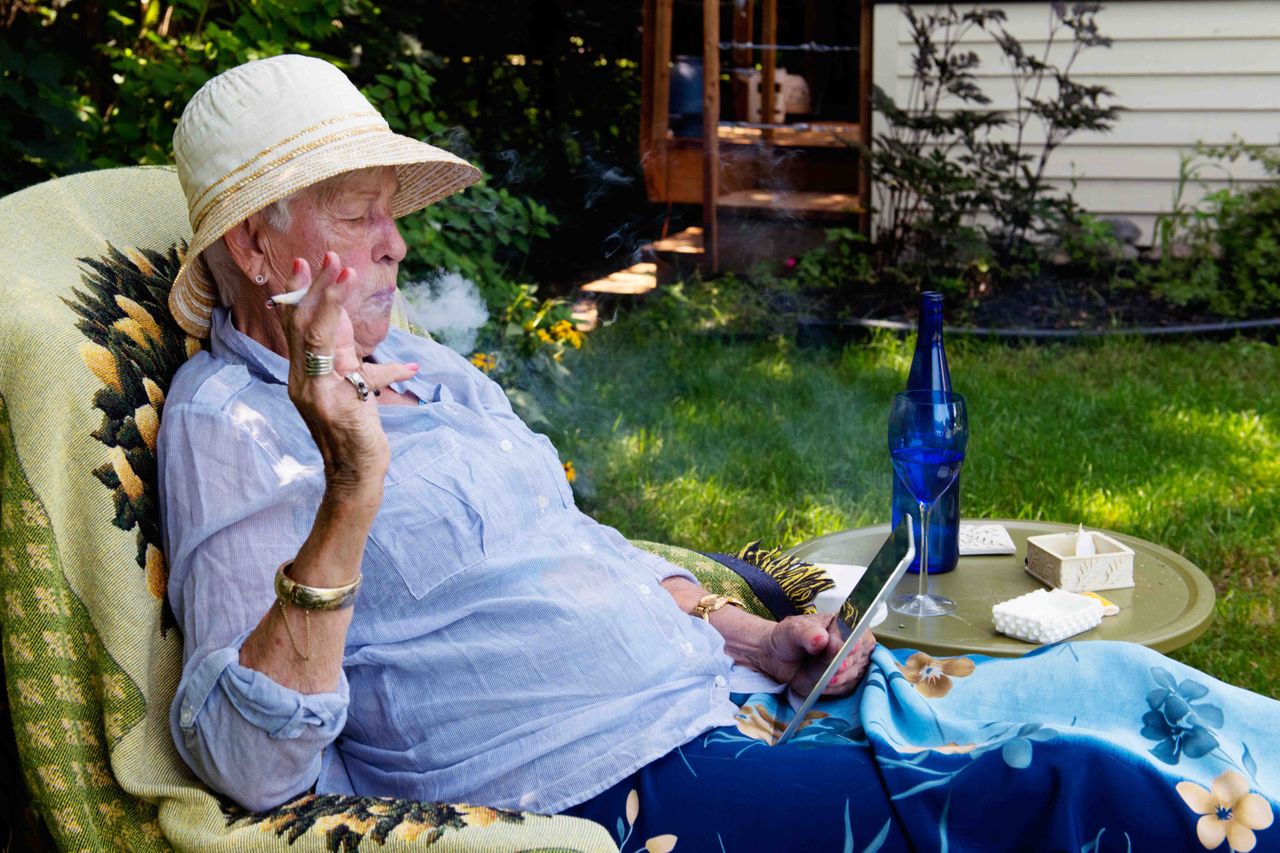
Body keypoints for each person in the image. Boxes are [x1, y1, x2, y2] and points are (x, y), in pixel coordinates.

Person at [163, 56, 1279, 851]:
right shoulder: (234, 423)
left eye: (389, 212)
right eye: (359, 213)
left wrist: (748, 632)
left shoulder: (422, 365)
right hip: (616, 779)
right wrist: (351, 485)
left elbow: (570, 539)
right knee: (1086, 791)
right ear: (257, 243)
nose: (396, 241)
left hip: (724, 697)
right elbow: (248, 763)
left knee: (1118, 681)